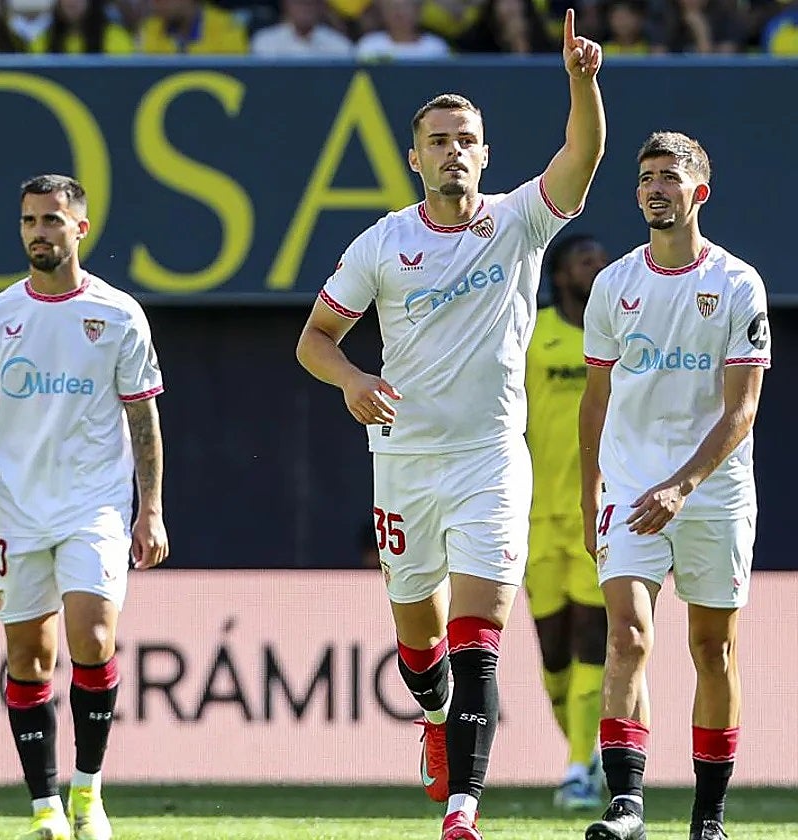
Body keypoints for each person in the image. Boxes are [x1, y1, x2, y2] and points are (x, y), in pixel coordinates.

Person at [295, 11, 605, 839]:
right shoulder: (382, 244)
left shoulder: (516, 221)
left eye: (466, 138)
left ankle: (463, 812)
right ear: (414, 157)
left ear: (486, 152)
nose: (454, 151)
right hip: (403, 462)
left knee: (480, 637)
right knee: (421, 651)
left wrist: (582, 81)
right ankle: (432, 718)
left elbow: (579, 163)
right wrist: (356, 377)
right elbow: (313, 342)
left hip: (491, 461)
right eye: (438, 140)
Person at [0, 174, 168, 840]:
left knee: (94, 639)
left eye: (51, 220)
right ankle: (44, 805)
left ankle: (88, 792)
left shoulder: (117, 314)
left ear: (80, 228)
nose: (39, 233)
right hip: (15, 511)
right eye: (28, 221)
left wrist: (150, 509)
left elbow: (143, 418)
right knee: (27, 659)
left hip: (94, 507)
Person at [580, 132, 769, 840]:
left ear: (700, 192)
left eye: (670, 177)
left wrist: (685, 486)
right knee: (628, 635)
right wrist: (589, 485)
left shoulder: (738, 284)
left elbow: (742, 409)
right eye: (646, 178)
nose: (656, 187)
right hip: (629, 484)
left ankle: (708, 817)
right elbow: (595, 398)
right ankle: (626, 806)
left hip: (712, 489)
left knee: (712, 649)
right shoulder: (613, 284)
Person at [525, 233, 611, 810]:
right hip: (533, 516)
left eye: (603, 262)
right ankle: (586, 752)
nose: (598, 269)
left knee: (593, 639)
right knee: (554, 655)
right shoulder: (533, 336)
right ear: (560, 276)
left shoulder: (621, 339)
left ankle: (579, 766)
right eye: (587, 262)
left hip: (597, 512)